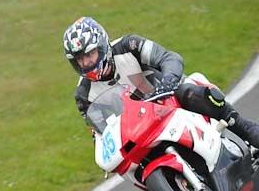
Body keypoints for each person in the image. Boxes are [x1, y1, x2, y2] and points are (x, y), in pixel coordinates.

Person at [62, 16, 259, 148]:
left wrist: (167, 83)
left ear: (102, 45)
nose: (86, 62)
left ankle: (246, 129)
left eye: (89, 54)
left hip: (169, 99)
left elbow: (169, 58)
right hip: (140, 131)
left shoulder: (128, 45)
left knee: (190, 91)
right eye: (79, 59)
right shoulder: (83, 94)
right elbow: (99, 132)